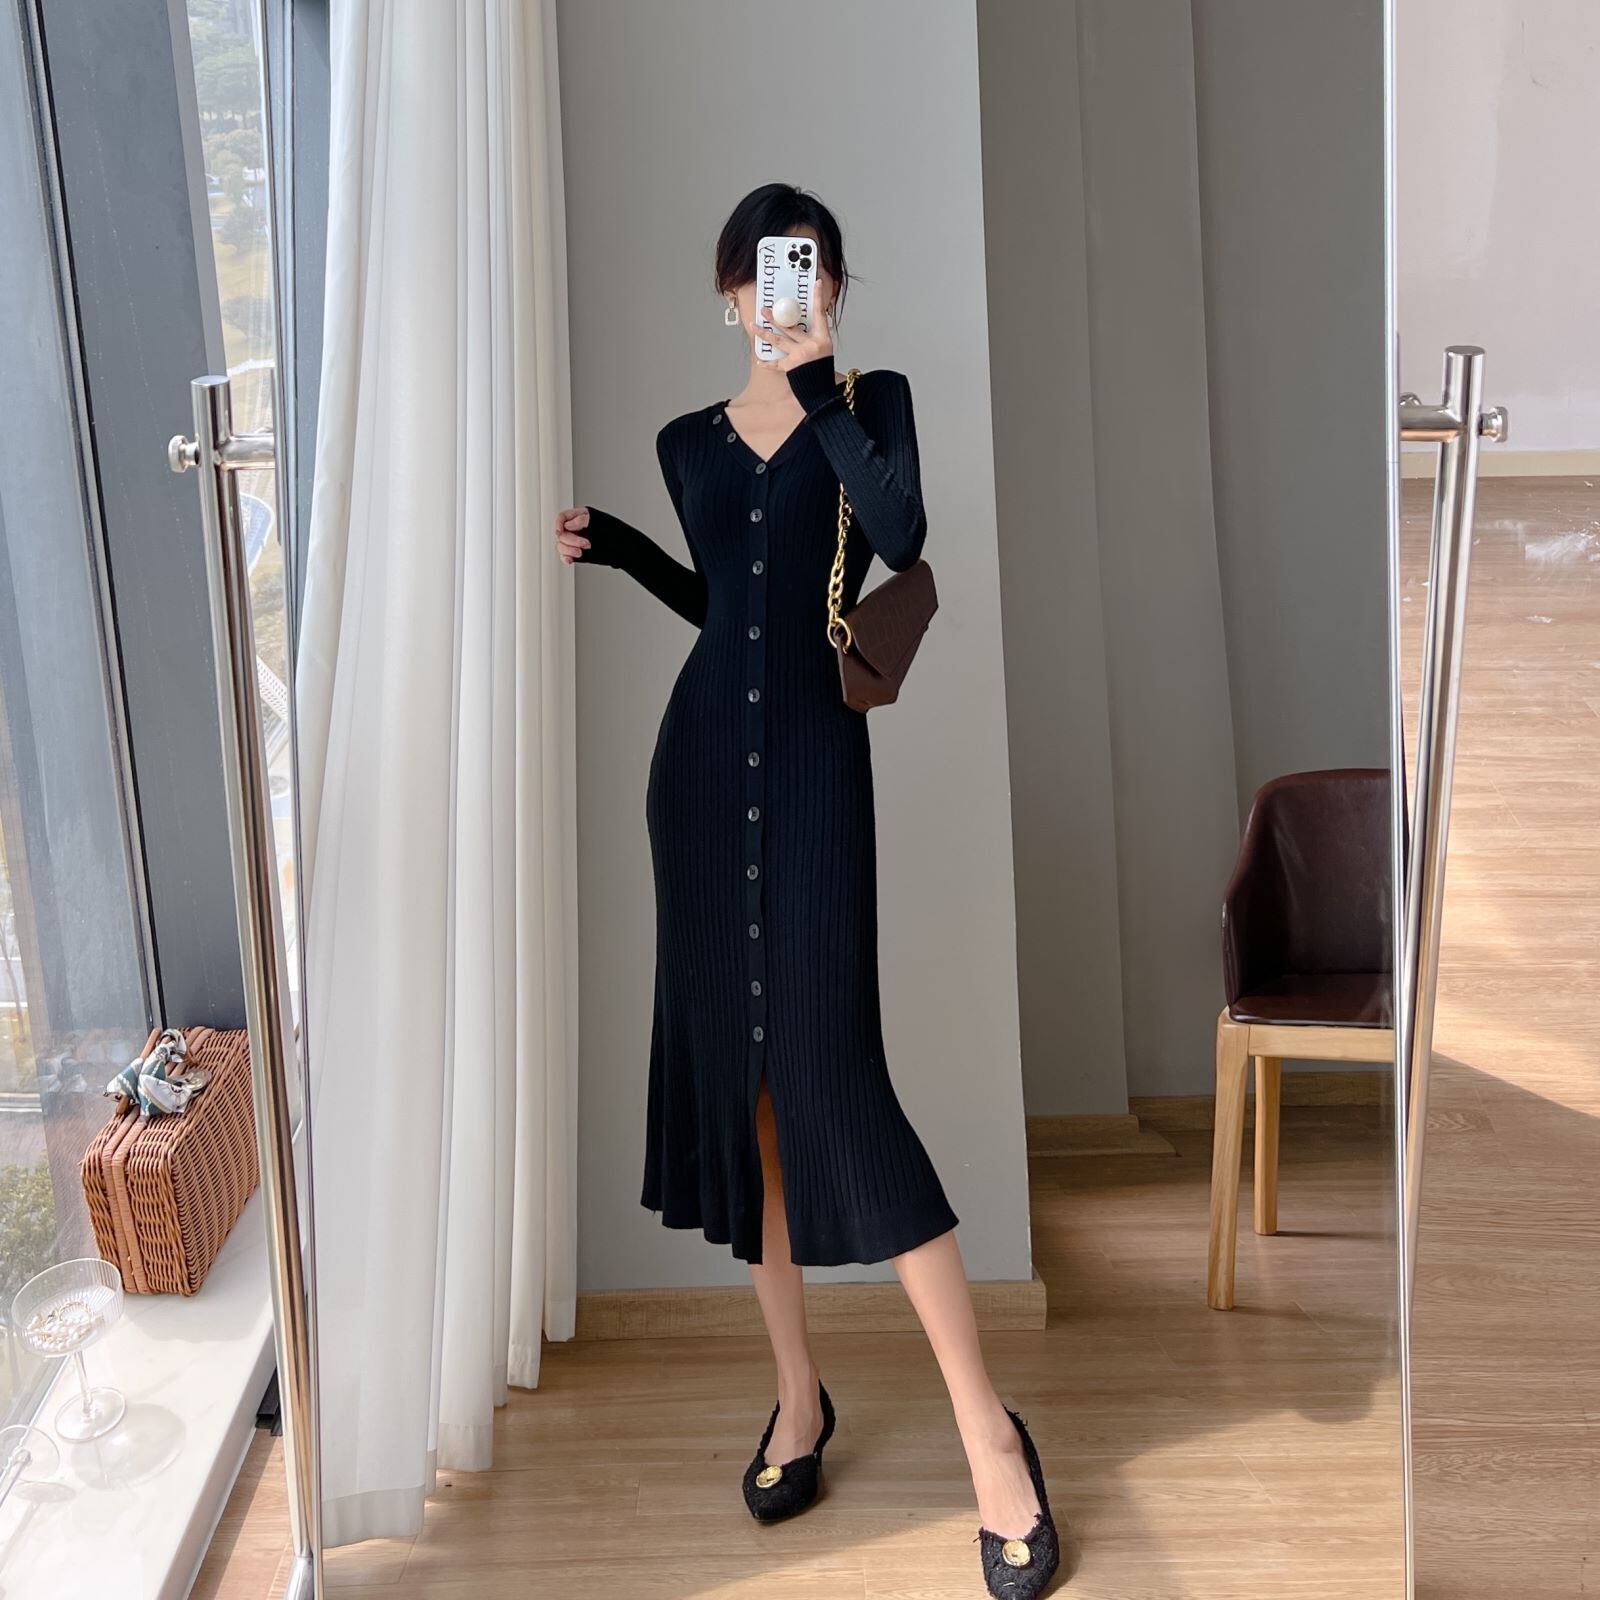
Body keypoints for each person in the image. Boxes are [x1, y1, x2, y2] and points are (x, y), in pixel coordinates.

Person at [555, 183, 1058, 1598]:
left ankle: (990, 1439)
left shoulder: (870, 405)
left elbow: (898, 536)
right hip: (699, 781)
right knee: (754, 1107)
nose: (787, 290)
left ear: (829, 288)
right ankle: (798, 1398)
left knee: (841, 1083)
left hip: (819, 779)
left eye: (812, 269)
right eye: (767, 274)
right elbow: (729, 606)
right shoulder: (683, 443)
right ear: (728, 294)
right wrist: (624, 547)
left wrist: (822, 384)